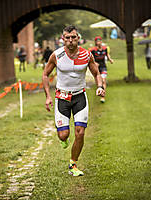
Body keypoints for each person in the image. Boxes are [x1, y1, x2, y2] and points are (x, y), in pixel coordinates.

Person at [42, 25, 105, 176]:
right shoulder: (56, 55)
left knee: (80, 133)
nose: (70, 40)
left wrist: (100, 86)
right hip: (62, 97)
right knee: (63, 135)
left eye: (73, 37)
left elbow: (96, 73)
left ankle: (73, 164)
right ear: (63, 39)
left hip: (79, 97)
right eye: (67, 38)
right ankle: (63, 137)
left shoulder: (87, 55)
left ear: (78, 38)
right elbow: (45, 75)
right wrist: (48, 96)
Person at [91, 36, 113, 103]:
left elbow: (107, 55)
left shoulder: (105, 49)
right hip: (96, 68)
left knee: (103, 80)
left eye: (99, 41)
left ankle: (103, 97)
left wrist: (110, 60)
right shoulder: (93, 50)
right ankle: (99, 90)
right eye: (97, 41)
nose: (99, 43)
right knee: (98, 82)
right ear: (95, 42)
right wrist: (94, 63)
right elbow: (90, 58)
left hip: (103, 66)